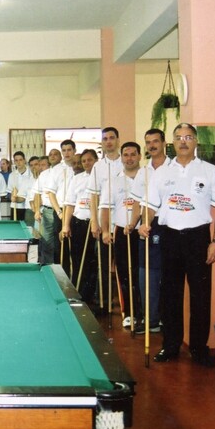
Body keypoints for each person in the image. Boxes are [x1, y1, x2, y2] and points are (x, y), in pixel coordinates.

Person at [139, 123, 215, 366]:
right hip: (169, 237)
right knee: (170, 295)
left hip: (198, 238)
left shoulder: (210, 171)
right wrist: (144, 223)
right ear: (172, 142)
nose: (183, 141)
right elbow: (149, 206)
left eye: (188, 137)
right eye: (179, 137)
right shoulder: (161, 173)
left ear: (196, 141)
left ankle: (199, 348)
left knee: (200, 295)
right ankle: (171, 346)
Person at [128, 128, 170, 334]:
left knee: (169, 274)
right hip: (146, 226)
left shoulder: (174, 169)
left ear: (164, 143)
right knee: (147, 273)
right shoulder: (143, 172)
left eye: (155, 141)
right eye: (148, 142)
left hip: (169, 226)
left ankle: (167, 319)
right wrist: (132, 224)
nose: (152, 145)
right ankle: (151, 319)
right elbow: (137, 202)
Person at [100, 142, 143, 333]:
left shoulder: (148, 177)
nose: (129, 158)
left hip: (145, 232)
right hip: (122, 232)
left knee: (144, 275)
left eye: (133, 154)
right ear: (122, 157)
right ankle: (130, 313)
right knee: (125, 274)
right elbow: (104, 208)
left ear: (140, 156)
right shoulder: (114, 181)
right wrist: (105, 231)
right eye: (126, 155)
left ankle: (148, 314)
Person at [88, 127, 123, 315]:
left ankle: (127, 307)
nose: (108, 141)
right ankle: (103, 303)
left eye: (111, 138)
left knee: (124, 265)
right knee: (103, 264)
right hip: (104, 221)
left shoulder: (127, 162)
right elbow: (93, 196)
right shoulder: (98, 167)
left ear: (118, 140)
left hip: (124, 222)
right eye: (105, 139)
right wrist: (94, 222)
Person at [61, 149, 98, 305]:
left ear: (96, 161)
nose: (86, 163)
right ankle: (78, 293)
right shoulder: (76, 179)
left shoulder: (102, 178)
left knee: (93, 261)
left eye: (90, 160)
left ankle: (91, 296)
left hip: (95, 224)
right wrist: (65, 225)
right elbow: (70, 204)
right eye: (84, 161)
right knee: (77, 260)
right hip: (78, 223)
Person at [44, 139, 76, 269]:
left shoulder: (79, 167)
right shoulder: (56, 170)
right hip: (61, 211)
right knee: (60, 247)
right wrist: (59, 212)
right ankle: (61, 276)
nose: (67, 153)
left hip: (77, 212)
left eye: (69, 150)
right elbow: (51, 193)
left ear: (74, 151)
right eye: (64, 150)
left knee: (76, 246)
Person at [7, 151, 31, 221]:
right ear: (14, 162)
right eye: (16, 160)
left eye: (20, 160)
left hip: (27, 207)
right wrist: (12, 196)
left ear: (24, 160)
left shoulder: (30, 174)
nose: (18, 162)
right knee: (14, 227)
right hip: (15, 207)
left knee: (27, 226)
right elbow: (9, 192)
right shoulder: (12, 175)